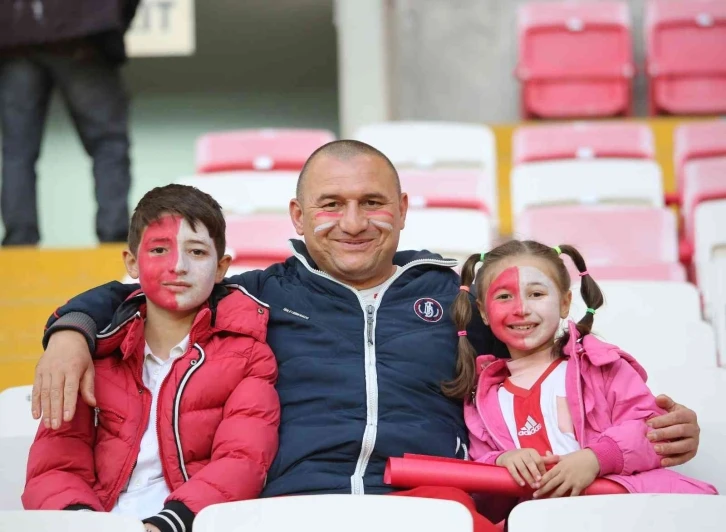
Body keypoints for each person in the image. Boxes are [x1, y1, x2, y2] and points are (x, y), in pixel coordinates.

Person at [32, 141, 702, 531]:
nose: (353, 223)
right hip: (285, 512)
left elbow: (563, 361)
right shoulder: (255, 294)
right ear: (298, 215)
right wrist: (70, 331)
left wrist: (659, 429)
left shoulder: (457, 296)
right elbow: (142, 291)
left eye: (372, 203)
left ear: (403, 210)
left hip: (431, 507)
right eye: (331, 204)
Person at [23, 184, 280, 532]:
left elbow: (242, 460)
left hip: (190, 523)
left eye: (197, 252)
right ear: (132, 262)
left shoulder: (248, 355)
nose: (178, 266)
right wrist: (83, 522)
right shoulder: (93, 354)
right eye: (159, 249)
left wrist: (169, 523)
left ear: (221, 268)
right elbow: (54, 466)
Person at [446, 240, 716, 522]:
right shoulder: (483, 394)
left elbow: (650, 430)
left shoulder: (601, 365)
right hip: (540, 521)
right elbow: (481, 470)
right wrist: (501, 461)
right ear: (484, 312)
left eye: (536, 293)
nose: (521, 308)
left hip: (621, 514)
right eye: (504, 297)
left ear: (565, 303)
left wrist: (596, 458)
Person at [0, 0, 139, 246]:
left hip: (14, 36)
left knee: (17, 151)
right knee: (108, 144)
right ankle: (113, 237)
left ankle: (18, 243)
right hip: (81, 30)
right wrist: (109, 20)